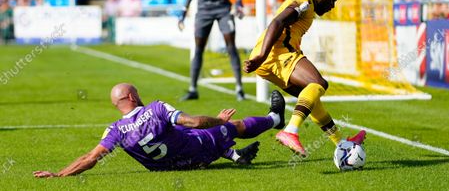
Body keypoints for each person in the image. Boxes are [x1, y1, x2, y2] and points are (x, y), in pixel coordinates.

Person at [33, 83, 286, 177]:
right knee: (233, 126)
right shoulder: (155, 109)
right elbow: (195, 122)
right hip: (196, 155)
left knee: (180, 136)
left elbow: (90, 158)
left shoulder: (116, 130)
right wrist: (219, 120)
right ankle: (275, 119)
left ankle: (235, 155)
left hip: (169, 167)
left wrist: (59, 174)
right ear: (132, 96)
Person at [243, 0, 366, 156]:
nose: (332, 6)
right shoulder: (304, 4)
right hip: (276, 54)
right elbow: (277, 22)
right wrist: (262, 55)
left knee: (310, 99)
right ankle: (290, 131)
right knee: (319, 84)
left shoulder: (304, 3)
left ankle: (342, 143)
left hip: (270, 59)